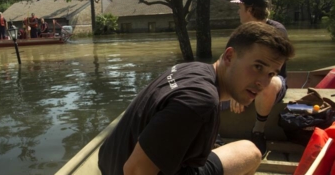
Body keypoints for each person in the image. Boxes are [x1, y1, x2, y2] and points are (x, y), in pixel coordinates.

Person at [98, 22, 295, 175]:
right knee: (250, 152)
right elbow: (134, 171)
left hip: (108, 164)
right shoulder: (201, 102)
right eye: (258, 67)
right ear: (229, 56)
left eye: (271, 74)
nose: (263, 83)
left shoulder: (192, 69)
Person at [222, 0, 289, 156]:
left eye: (241, 7)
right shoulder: (241, 33)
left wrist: (242, 88)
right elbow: (226, 66)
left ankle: (258, 131)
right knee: (208, 82)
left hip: (272, 79)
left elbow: (270, 70)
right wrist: (234, 90)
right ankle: (212, 134)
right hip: (244, 80)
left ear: (250, 10)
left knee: (268, 83)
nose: (238, 12)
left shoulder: (276, 31)